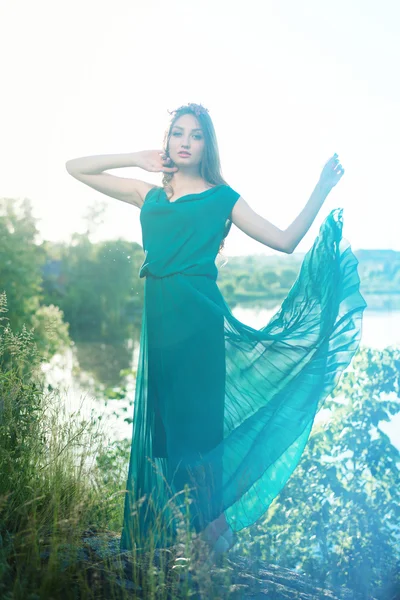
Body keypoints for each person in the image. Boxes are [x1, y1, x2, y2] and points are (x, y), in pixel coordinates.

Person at [66, 102, 367, 560]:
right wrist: (136, 156)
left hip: (199, 329)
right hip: (161, 332)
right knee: (169, 445)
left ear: (208, 144)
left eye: (196, 135)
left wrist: (321, 188)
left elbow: (285, 241)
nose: (185, 142)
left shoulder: (222, 198)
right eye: (177, 133)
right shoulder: (148, 195)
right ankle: (207, 538)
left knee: (197, 440)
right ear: (167, 141)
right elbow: (75, 168)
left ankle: (214, 538)